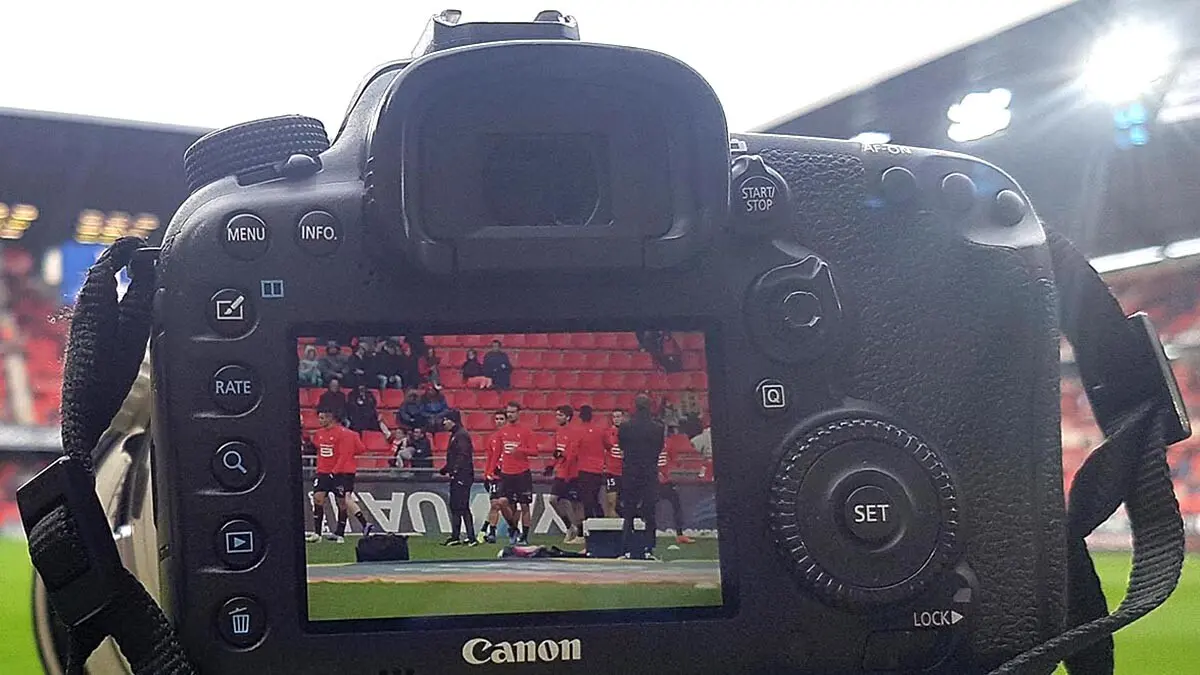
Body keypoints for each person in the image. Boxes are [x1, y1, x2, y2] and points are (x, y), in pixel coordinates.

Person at [306, 408, 371, 543]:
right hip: (322, 471)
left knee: (341, 502)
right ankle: (317, 534)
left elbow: (346, 453)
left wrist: (335, 470)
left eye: (323, 418)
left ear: (331, 418)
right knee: (318, 498)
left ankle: (340, 533)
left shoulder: (342, 434)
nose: (320, 421)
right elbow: (318, 448)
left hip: (338, 472)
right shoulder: (319, 434)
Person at [618, 394, 665, 559]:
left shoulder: (625, 427)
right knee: (650, 511)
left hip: (631, 471)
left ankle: (626, 548)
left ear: (635, 407)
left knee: (629, 510)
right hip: (649, 472)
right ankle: (649, 548)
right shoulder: (658, 428)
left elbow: (622, 446)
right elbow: (658, 449)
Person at [493, 401, 540, 544]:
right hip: (506, 473)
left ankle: (524, 537)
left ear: (518, 413)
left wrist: (520, 450)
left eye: (513, 412)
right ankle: (513, 528)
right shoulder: (503, 431)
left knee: (524, 505)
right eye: (508, 412)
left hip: (522, 473)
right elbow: (498, 452)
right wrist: (493, 468)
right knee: (503, 503)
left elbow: (535, 451)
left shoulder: (526, 431)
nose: (510, 414)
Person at [545, 405, 583, 544]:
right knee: (553, 500)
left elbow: (573, 454)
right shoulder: (558, 431)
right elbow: (558, 453)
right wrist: (551, 465)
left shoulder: (574, 432)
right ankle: (569, 527)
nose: (557, 418)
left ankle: (580, 532)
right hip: (561, 472)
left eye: (560, 415)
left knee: (576, 504)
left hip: (572, 473)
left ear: (568, 417)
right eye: (557, 415)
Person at [439, 410, 478, 546]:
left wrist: (455, 470)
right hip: (458, 475)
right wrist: (446, 469)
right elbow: (455, 456)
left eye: (446, 420)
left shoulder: (461, 435)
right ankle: (456, 536)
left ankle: (471, 537)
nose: (444, 423)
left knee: (462, 506)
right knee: (455, 506)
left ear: (452, 420)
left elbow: (463, 455)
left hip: (462, 476)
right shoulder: (456, 434)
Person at [478, 410, 516, 544]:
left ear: (506, 421)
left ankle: (513, 528)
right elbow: (489, 457)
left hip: (510, 475)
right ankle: (492, 533)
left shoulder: (512, 436)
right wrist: (487, 473)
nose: (499, 421)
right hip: (496, 475)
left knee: (506, 505)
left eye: (501, 419)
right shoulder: (492, 438)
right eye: (497, 419)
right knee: (495, 504)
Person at [659, 425, 695, 544]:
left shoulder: (668, 443)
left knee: (676, 505)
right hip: (652, 481)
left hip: (666, 482)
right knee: (646, 507)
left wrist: (671, 471)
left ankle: (679, 534)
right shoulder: (649, 443)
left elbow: (674, 459)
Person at [573, 405, 607, 520]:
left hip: (584, 469)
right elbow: (609, 445)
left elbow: (573, 451)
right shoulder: (600, 430)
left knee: (586, 499)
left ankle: (590, 524)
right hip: (597, 469)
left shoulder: (578, 431)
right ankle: (599, 520)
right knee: (594, 497)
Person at [602, 408, 626, 517]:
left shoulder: (628, 432)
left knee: (624, 501)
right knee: (612, 501)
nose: (616, 419)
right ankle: (613, 528)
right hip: (611, 471)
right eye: (614, 417)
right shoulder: (607, 433)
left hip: (625, 471)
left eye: (619, 417)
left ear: (623, 418)